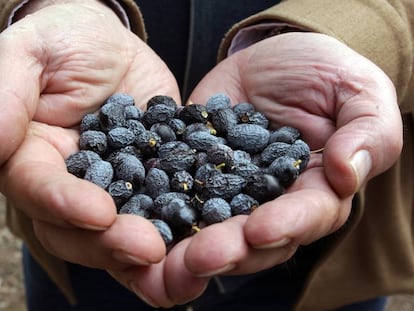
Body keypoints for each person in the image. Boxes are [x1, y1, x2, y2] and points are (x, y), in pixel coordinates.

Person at [0, 0, 412, 310]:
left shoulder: (250, 148)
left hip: (330, 270)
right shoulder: (133, 148)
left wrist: (364, 28)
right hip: (81, 257)